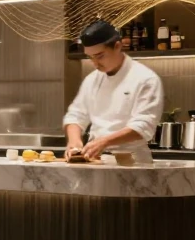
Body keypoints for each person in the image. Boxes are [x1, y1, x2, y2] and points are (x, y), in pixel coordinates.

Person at [64, 20, 163, 164]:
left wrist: (104, 141)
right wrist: (74, 142)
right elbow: (76, 115)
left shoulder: (145, 79)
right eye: (90, 57)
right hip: (95, 159)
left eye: (100, 56)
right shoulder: (92, 80)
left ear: (117, 46)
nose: (95, 63)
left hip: (133, 161)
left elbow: (143, 125)